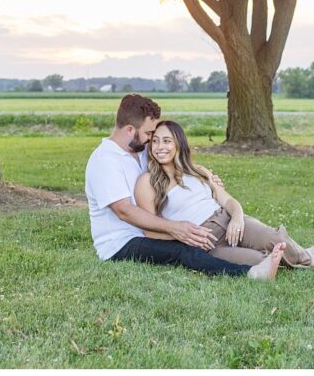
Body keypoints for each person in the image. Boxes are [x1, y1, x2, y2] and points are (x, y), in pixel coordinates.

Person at [84, 94, 263, 278]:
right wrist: (174, 228)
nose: (151, 139)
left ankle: (259, 253)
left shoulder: (141, 148)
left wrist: (206, 178)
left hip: (149, 232)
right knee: (183, 250)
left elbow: (173, 162)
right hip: (122, 242)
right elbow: (124, 211)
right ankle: (249, 273)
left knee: (192, 240)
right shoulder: (104, 160)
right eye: (148, 134)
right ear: (130, 130)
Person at [134, 119, 314, 278]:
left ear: (178, 144)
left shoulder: (198, 171)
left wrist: (237, 217)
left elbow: (227, 200)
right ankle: (303, 254)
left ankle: (310, 257)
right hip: (206, 240)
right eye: (155, 141)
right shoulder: (147, 182)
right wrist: (183, 234)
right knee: (260, 260)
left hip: (226, 218)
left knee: (273, 237)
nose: (160, 146)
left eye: (167, 141)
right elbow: (150, 231)